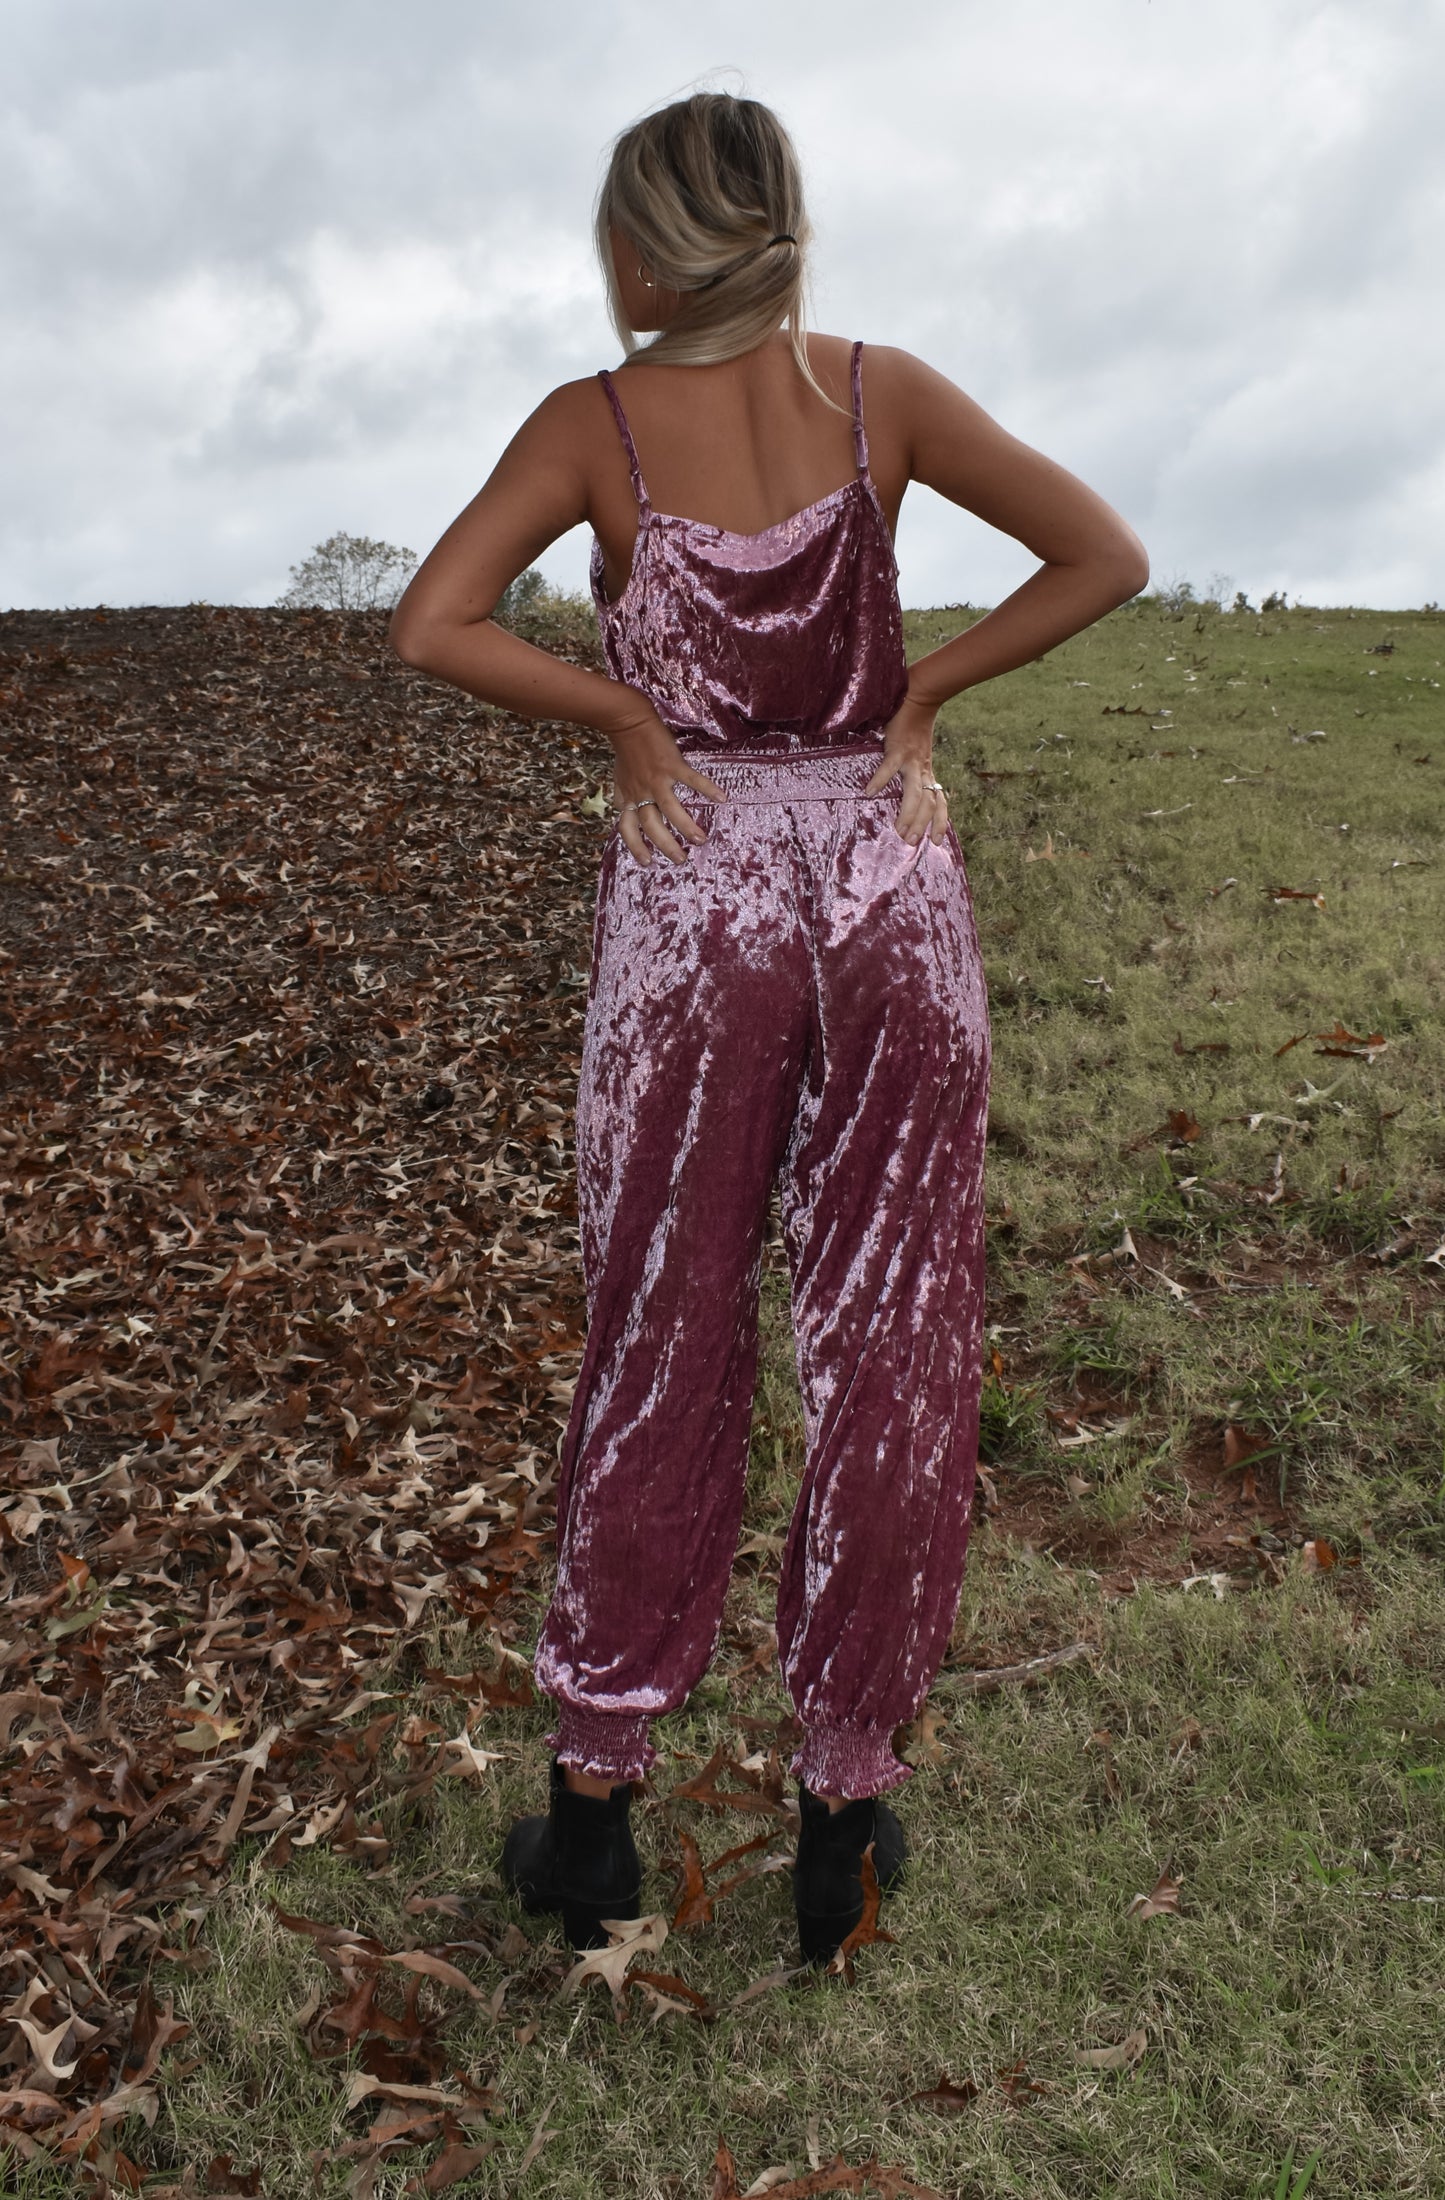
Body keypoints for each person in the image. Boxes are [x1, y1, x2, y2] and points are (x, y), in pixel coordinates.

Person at [390, 91, 1147, 1963]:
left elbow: (432, 624)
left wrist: (631, 721)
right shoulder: (883, 396)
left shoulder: (597, 425)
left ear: (643, 248)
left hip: (697, 893)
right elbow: (1103, 554)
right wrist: (917, 702)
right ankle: (846, 1824)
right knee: (892, 1333)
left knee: (664, 1326)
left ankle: (589, 1825)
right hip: (888, 895)